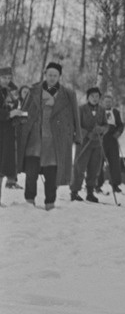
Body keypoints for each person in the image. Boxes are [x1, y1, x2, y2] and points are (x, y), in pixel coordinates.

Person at [18, 62, 82, 210]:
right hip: (34, 139)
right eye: (49, 74)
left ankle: (50, 202)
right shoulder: (34, 91)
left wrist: (77, 135)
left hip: (55, 141)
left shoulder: (68, 94)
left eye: (55, 75)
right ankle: (29, 200)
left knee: (52, 174)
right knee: (31, 172)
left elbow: (75, 116)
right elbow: (24, 111)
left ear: (59, 76)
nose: (52, 78)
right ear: (45, 74)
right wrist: (20, 129)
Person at [70, 87, 108, 203]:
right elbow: (75, 125)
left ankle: (90, 192)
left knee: (94, 168)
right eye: (92, 96)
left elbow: (106, 126)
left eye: (97, 96)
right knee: (79, 168)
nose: (95, 99)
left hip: (97, 144)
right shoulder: (81, 109)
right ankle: (74, 191)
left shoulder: (102, 110)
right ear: (88, 97)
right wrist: (86, 133)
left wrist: (100, 129)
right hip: (84, 143)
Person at [0, 66, 26, 207]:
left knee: (2, 167)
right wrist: (10, 114)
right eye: (4, 78)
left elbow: (15, 106)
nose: (7, 80)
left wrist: (18, 116)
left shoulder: (11, 92)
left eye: (9, 78)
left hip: (7, 134)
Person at [97, 94, 124, 192]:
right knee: (99, 162)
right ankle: (97, 185)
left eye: (110, 101)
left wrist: (118, 132)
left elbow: (120, 125)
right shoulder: (99, 111)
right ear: (102, 102)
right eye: (106, 101)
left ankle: (115, 184)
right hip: (102, 139)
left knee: (114, 161)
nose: (108, 103)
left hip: (112, 138)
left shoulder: (115, 112)